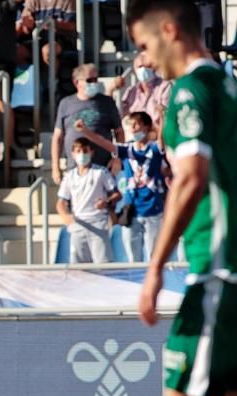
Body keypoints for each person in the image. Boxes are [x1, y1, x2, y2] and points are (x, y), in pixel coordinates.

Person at [129, 2, 237, 396]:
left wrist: (153, 267)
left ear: (170, 31)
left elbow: (191, 178)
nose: (145, 59)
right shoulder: (230, 86)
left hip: (217, 271)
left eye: (146, 46)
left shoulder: (191, 92)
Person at [75, 112, 168, 262]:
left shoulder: (154, 150)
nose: (133, 128)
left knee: (154, 258)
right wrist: (85, 131)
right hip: (131, 212)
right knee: (133, 259)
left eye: (137, 124)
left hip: (153, 212)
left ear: (146, 127)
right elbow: (102, 142)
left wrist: (163, 119)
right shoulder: (126, 150)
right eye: (131, 125)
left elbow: (162, 142)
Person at [52, 63, 124, 185]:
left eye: (96, 79)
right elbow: (57, 137)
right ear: (76, 83)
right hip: (74, 169)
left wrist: (118, 158)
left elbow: (119, 132)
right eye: (90, 80)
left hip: (102, 169)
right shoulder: (65, 103)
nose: (94, 83)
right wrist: (55, 167)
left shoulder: (107, 102)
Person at [56, 138, 121, 264]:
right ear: (73, 154)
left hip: (98, 223)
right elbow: (61, 202)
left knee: (103, 263)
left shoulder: (101, 172)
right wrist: (67, 219)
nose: (82, 154)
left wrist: (106, 202)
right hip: (78, 224)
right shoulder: (69, 176)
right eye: (78, 151)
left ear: (91, 152)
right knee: (79, 266)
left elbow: (116, 194)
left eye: (85, 151)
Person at [110, 51, 172, 129]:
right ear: (135, 71)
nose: (144, 69)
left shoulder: (164, 87)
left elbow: (168, 117)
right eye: (140, 67)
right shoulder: (131, 92)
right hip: (135, 136)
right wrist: (112, 89)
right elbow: (120, 116)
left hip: (157, 136)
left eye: (147, 66)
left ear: (154, 67)